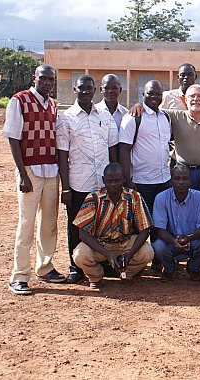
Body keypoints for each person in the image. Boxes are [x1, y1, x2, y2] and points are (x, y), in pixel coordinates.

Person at [2, 64, 66, 294]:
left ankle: (45, 266)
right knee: (27, 224)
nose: (48, 82)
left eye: (52, 79)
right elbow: (12, 138)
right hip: (30, 170)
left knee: (49, 223)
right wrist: (21, 173)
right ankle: (19, 275)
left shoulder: (53, 105)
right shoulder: (19, 100)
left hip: (51, 170)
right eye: (44, 78)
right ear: (34, 78)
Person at [57, 75, 119, 284]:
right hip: (78, 182)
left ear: (95, 91)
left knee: (102, 226)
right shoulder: (66, 118)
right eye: (81, 88)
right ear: (75, 89)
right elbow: (62, 156)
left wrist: (116, 180)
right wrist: (65, 188)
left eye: (89, 88)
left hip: (103, 184)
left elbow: (113, 149)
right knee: (76, 225)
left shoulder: (104, 115)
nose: (85, 92)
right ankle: (75, 266)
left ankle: (101, 264)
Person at [73, 163, 154, 289]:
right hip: (101, 243)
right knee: (79, 255)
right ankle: (95, 276)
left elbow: (145, 229)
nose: (113, 184)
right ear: (103, 181)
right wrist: (107, 254)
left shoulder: (134, 197)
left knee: (147, 252)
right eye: (109, 181)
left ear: (124, 180)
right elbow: (82, 233)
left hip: (125, 243)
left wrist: (130, 254)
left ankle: (126, 273)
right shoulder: (94, 197)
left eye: (117, 180)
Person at [118, 80, 171, 265]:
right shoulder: (133, 117)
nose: (154, 97)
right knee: (138, 225)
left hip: (163, 180)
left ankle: (158, 260)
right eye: (150, 94)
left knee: (160, 223)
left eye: (158, 94)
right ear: (143, 95)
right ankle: (136, 262)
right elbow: (124, 149)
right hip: (141, 181)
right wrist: (127, 180)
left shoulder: (165, 117)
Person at [152, 164, 200, 280]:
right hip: (170, 242)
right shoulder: (161, 198)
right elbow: (159, 229)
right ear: (171, 181)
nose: (181, 182)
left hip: (193, 241)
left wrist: (189, 238)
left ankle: (193, 268)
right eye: (177, 178)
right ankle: (169, 269)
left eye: (185, 179)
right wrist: (174, 242)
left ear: (190, 181)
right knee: (158, 246)